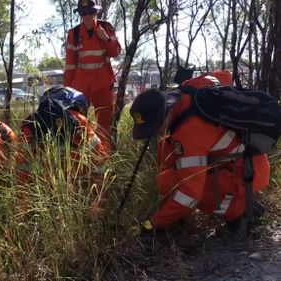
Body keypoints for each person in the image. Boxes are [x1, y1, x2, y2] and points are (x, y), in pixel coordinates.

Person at [130, 71, 270, 238]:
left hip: (244, 174)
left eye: (154, 127)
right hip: (250, 162)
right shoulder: (189, 88)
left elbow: (189, 196)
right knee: (164, 147)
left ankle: (239, 212)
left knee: (166, 182)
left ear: (164, 115)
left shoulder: (189, 135)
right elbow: (225, 75)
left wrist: (153, 223)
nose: (154, 132)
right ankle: (179, 213)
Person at [16, 86, 110, 216]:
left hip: (44, 193)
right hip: (77, 190)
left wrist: (22, 205)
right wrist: (98, 201)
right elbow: (100, 161)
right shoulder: (79, 121)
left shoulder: (29, 123)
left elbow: (22, 168)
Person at [64, 0, 122, 150]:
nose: (87, 16)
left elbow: (115, 52)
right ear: (80, 15)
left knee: (104, 125)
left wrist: (106, 39)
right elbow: (70, 65)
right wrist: (67, 91)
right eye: (84, 13)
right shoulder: (74, 34)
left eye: (91, 12)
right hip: (80, 86)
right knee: (77, 122)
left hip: (102, 84)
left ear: (96, 12)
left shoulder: (107, 28)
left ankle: (103, 156)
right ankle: (80, 156)